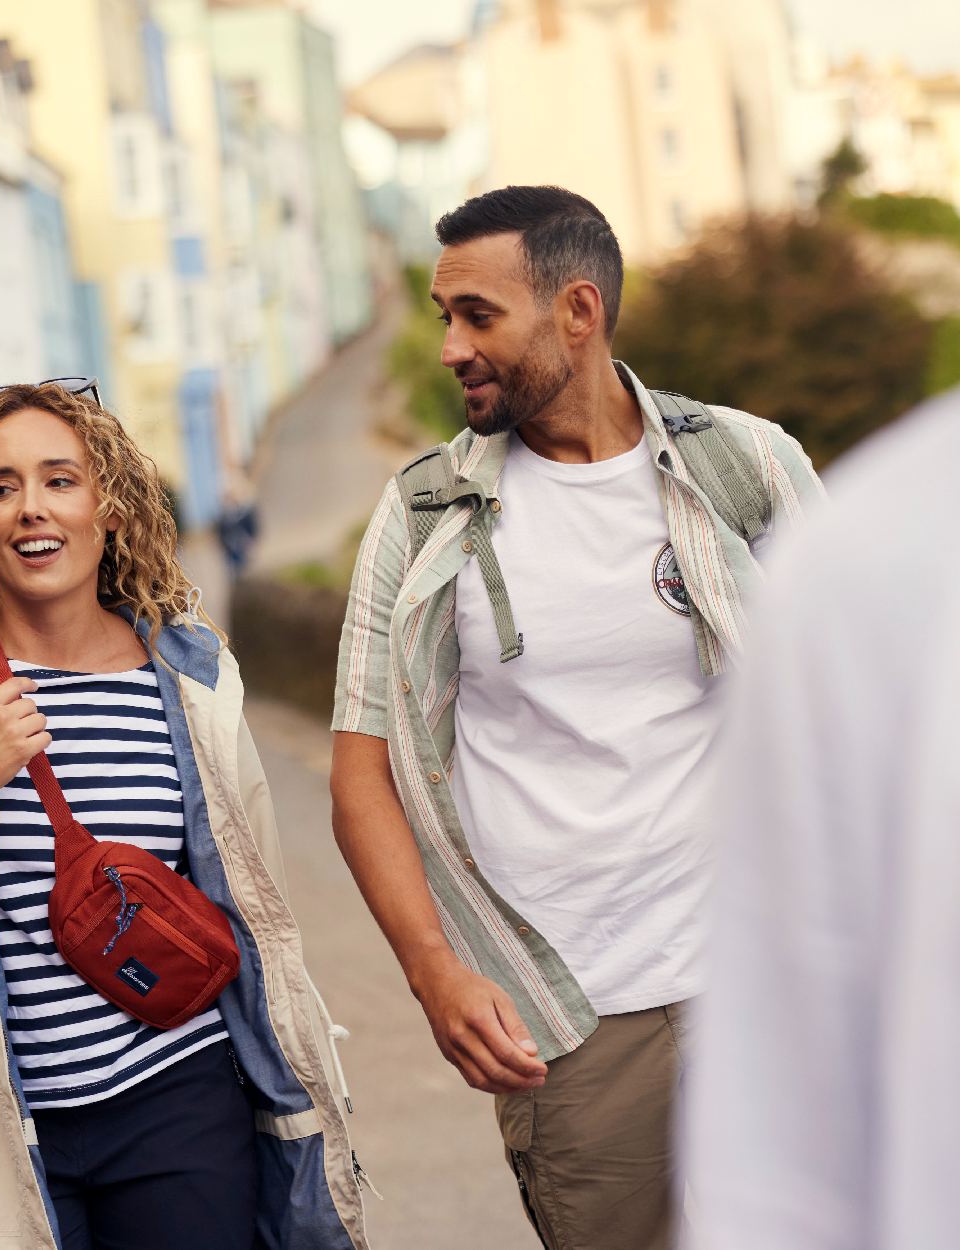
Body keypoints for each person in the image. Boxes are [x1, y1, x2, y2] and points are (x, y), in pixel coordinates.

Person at [329, 184, 824, 1250]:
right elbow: (359, 765)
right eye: (441, 313)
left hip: (769, 974)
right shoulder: (421, 514)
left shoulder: (747, 465)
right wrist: (433, 969)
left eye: (477, 314)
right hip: (574, 1015)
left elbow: (861, 696)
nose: (451, 345)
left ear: (578, 311)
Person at [0, 379, 368, 1250]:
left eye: (59, 480)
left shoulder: (185, 677)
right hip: (4, 1123)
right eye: (2, 487)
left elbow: (252, 904)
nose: (32, 509)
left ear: (106, 505)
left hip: (176, 1098)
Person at [688, 386, 960, 1250]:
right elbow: (783, 1179)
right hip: (612, 984)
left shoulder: (771, 472)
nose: (454, 349)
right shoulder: (877, 561)